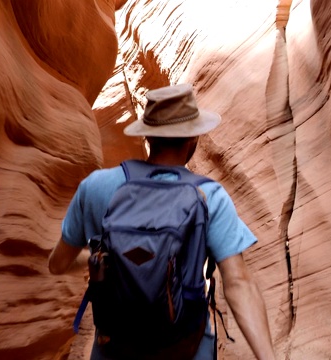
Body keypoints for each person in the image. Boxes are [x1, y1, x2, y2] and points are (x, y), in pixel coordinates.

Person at [48, 83, 276, 360]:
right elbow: (239, 282)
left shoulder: (95, 187)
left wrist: (99, 258)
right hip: (185, 347)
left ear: (148, 137)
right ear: (193, 139)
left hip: (114, 347)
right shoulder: (208, 196)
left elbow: (57, 264)